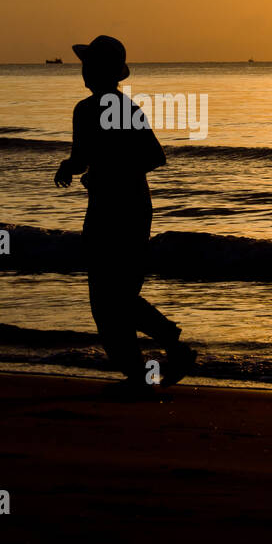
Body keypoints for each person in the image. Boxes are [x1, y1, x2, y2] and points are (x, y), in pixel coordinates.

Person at [54, 35, 196, 397]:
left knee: (113, 295)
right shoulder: (85, 110)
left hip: (127, 209)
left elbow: (154, 156)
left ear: (103, 70)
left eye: (90, 65)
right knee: (107, 298)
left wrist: (108, 170)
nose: (84, 71)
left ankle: (170, 344)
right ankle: (147, 367)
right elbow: (82, 155)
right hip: (104, 207)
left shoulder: (123, 109)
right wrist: (69, 167)